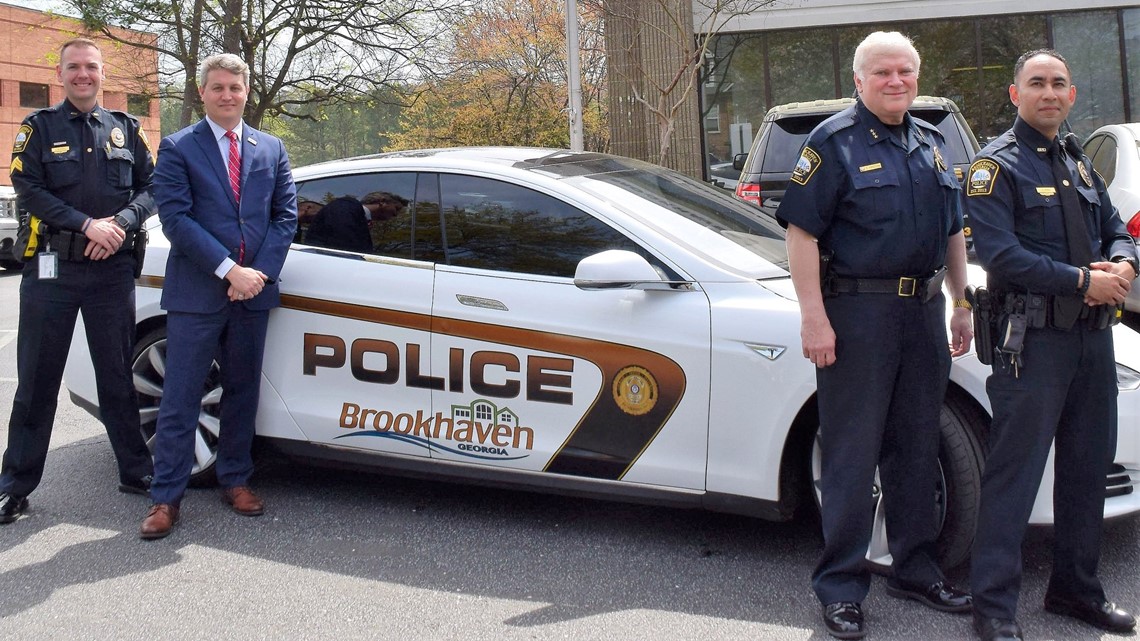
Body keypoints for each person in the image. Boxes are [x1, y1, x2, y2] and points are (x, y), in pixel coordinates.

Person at [775, 31, 973, 639]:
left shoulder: (931, 143)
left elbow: (953, 231)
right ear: (859, 81)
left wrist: (960, 302)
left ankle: (915, 567)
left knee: (915, 446)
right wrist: (813, 316)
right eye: (883, 73)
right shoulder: (831, 142)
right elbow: (801, 235)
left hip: (922, 314)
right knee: (851, 455)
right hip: (857, 315)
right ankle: (840, 586)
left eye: (906, 72)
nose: (896, 81)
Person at [965, 49, 1138, 641]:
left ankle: (1074, 591)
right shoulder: (995, 166)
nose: (1049, 93)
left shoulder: (1080, 163)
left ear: (1071, 96)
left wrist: (1122, 262)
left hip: (1092, 343)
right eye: (1036, 83)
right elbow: (999, 253)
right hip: (1031, 344)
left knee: (1088, 471)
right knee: (1013, 476)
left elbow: (1116, 226)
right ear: (1016, 95)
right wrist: (1085, 281)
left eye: (1058, 83)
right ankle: (992, 607)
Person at [139, 53, 297, 539]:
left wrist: (257, 276)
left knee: (242, 392)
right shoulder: (178, 147)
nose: (227, 94)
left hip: (252, 297)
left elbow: (284, 217)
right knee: (181, 398)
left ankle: (235, 478)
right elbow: (177, 220)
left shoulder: (271, 148)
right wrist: (230, 270)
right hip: (196, 294)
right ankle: (166, 498)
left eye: (235, 87)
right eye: (218, 87)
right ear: (202, 92)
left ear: (247, 91)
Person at [0, 37, 155, 524]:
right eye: (74, 67)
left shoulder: (126, 129)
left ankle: (135, 470)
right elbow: (29, 188)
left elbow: (155, 186)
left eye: (91, 66)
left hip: (111, 270)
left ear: (102, 73)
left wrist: (123, 224)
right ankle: (15, 485)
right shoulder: (38, 128)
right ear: (61, 75)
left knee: (116, 375)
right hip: (53, 269)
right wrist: (88, 224)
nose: (83, 74)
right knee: (37, 381)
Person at [304, 192, 405, 252]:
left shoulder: (359, 218)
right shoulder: (345, 207)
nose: (396, 215)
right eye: (396, 208)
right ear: (382, 202)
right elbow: (343, 243)